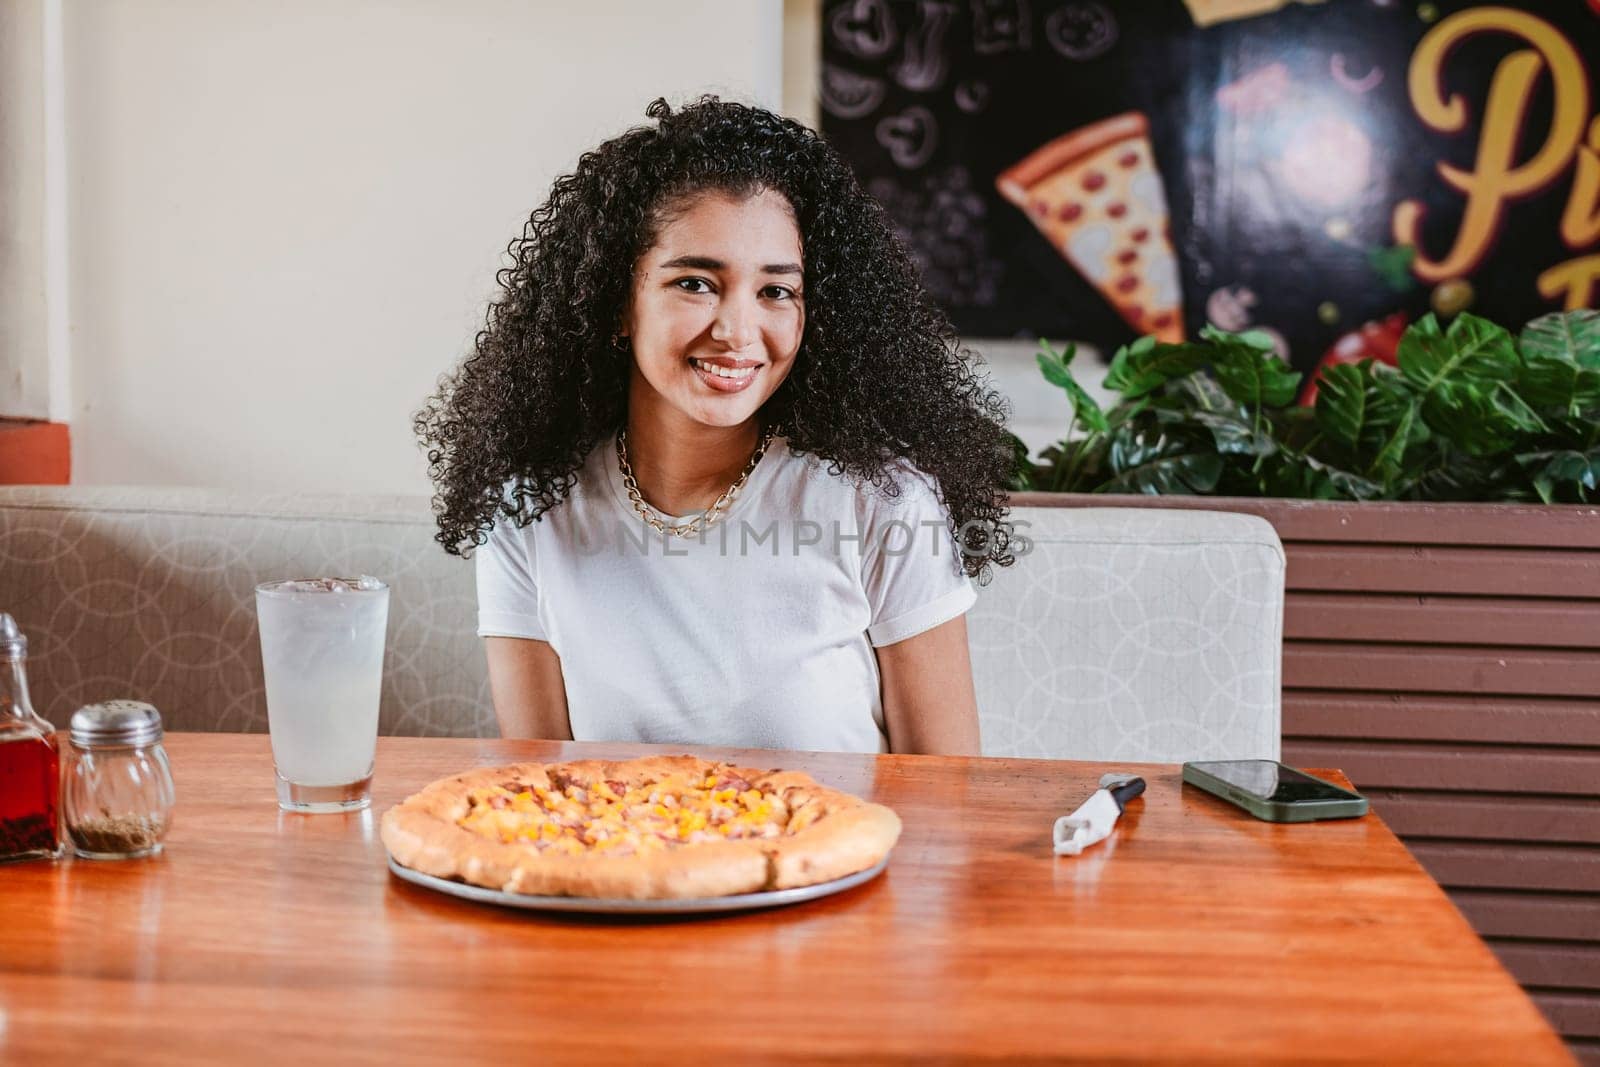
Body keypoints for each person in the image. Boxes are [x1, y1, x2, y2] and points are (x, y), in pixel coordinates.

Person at [415, 96, 1018, 755]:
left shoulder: (885, 500)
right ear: (618, 303)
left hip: (848, 860)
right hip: (617, 858)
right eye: (696, 283)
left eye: (776, 291)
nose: (737, 332)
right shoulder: (527, 510)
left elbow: (949, 801)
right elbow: (543, 792)